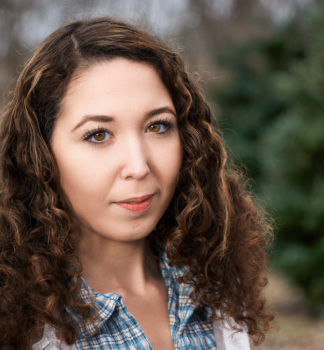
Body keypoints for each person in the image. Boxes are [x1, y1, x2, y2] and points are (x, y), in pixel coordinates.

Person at [0, 18, 273, 350]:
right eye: (98, 134)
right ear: (39, 154)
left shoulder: (212, 292)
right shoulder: (19, 325)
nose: (139, 166)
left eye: (157, 126)